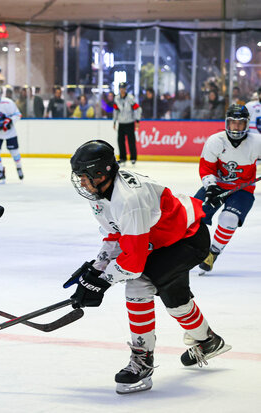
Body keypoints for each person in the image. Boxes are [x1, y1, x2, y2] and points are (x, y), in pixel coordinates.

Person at [66, 140, 231, 394]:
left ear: (101, 173)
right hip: (165, 239)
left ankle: (142, 360)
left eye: (85, 177)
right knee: (176, 301)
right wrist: (96, 269)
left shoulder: (129, 199)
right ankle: (208, 341)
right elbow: (115, 235)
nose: (82, 184)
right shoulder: (100, 192)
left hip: (188, 238)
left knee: (138, 282)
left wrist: (101, 282)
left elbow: (132, 263)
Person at [192, 104, 261, 273]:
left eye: (240, 123)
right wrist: (211, 187)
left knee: (229, 219)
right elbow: (206, 168)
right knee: (191, 216)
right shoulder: (216, 141)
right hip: (217, 186)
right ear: (227, 123)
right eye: (233, 122)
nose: (236, 127)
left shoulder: (257, 142)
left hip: (243, 189)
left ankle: (212, 253)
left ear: (246, 124)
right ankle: (185, 251)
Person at [113, 82, 141, 166]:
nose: (122, 90)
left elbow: (137, 109)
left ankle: (133, 158)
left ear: (126, 89)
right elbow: (115, 111)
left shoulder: (130, 98)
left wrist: (137, 120)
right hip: (121, 123)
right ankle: (123, 158)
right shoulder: (116, 98)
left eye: (123, 88)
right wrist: (114, 121)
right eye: (120, 88)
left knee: (131, 141)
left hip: (130, 122)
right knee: (120, 141)